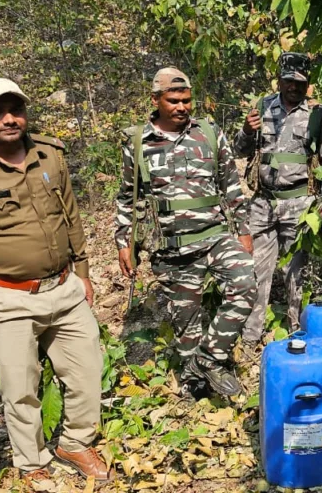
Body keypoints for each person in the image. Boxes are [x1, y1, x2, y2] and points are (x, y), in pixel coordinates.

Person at [0, 77, 111, 482]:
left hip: (63, 289)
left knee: (86, 373)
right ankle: (32, 464)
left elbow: (72, 217)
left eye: (16, 109)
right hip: (7, 299)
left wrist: (82, 272)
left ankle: (75, 443)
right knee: (21, 390)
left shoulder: (49, 154)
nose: (10, 119)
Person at [114, 67, 256, 399]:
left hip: (216, 236)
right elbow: (127, 196)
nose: (181, 107)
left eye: (187, 100)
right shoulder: (138, 142)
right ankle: (196, 389)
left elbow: (231, 186)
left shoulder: (208, 132)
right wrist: (125, 242)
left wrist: (243, 230)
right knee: (187, 325)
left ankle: (209, 360)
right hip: (171, 247)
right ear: (155, 100)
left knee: (245, 283)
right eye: (173, 101)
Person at [234, 52, 322, 343]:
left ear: (308, 84)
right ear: (279, 80)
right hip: (263, 203)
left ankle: (296, 331)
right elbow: (239, 150)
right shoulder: (262, 108)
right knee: (255, 271)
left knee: (296, 272)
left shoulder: (319, 115)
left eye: (300, 83)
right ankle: (251, 335)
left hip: (299, 203)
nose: (294, 87)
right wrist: (245, 130)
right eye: (288, 81)